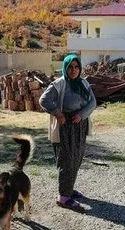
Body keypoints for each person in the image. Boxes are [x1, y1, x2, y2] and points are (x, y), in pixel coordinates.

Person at [39, 54, 96, 213]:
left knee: (77, 158)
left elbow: (93, 102)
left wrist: (82, 114)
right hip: (65, 127)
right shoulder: (59, 84)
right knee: (65, 160)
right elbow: (43, 100)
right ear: (65, 68)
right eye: (70, 67)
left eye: (76, 67)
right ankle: (63, 196)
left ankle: (69, 190)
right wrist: (57, 113)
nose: (73, 70)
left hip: (80, 126)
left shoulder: (83, 83)